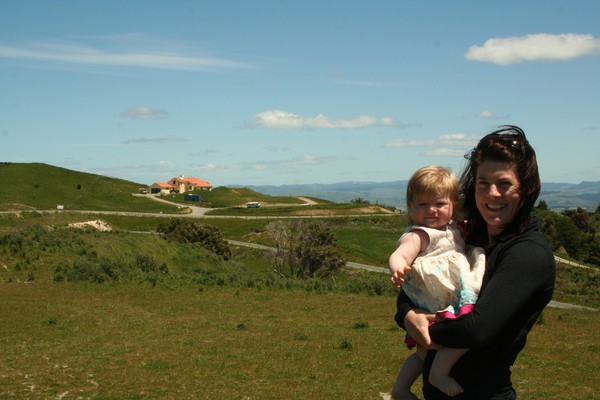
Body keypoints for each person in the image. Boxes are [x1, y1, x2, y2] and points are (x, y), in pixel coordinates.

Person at [394, 125, 556, 399]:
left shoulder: (527, 254)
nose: (492, 194)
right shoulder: (469, 236)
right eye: (483, 184)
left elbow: (476, 329)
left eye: (504, 184)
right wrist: (407, 315)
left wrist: (422, 323)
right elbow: (418, 286)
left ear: (526, 189)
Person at [388, 166, 485, 399]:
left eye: (439, 204)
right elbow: (399, 254)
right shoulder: (419, 234)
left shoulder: (454, 230)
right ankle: (438, 375)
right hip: (436, 299)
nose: (431, 210)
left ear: (453, 206)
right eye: (422, 204)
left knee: (423, 352)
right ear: (411, 207)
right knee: (462, 334)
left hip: (445, 296)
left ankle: (400, 389)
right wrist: (398, 268)